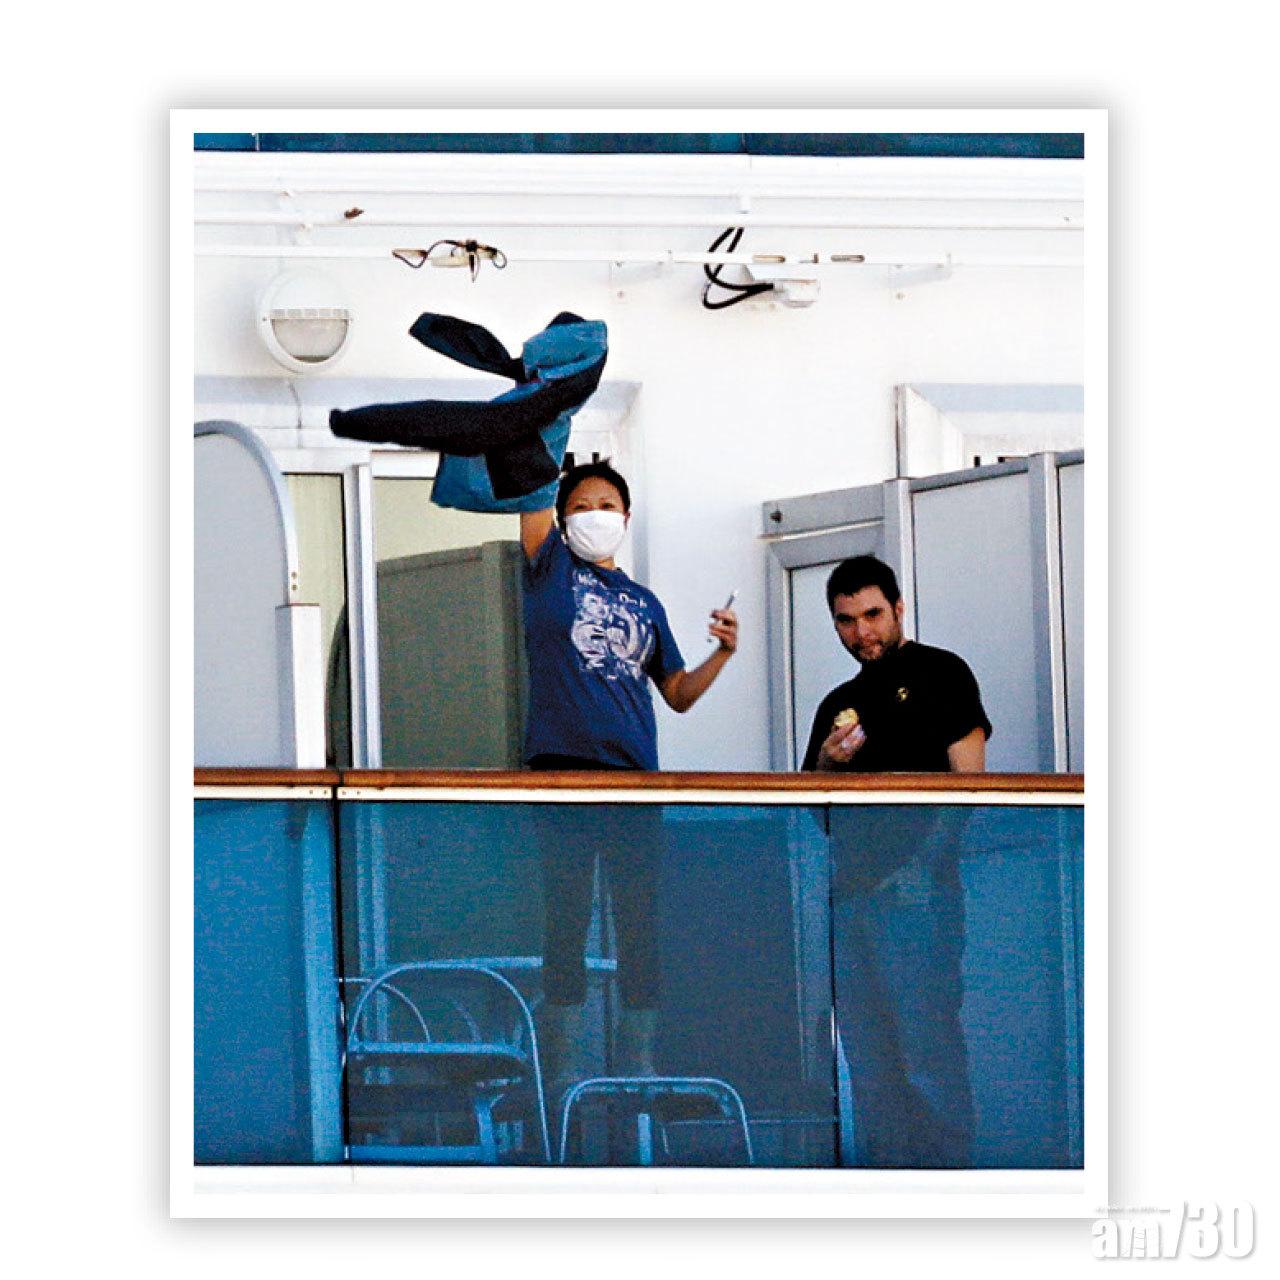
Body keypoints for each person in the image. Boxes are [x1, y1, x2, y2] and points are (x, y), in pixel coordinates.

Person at [519, 460, 738, 1094]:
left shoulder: (645, 602)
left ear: (627, 517)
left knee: (640, 922)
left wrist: (723, 653)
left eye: (607, 505)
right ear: (563, 519)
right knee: (566, 919)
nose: (596, 515)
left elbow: (678, 692)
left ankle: (638, 1062)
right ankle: (561, 1066)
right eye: (581, 505)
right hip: (562, 773)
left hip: (636, 780)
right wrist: (541, 425)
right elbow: (530, 495)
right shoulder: (550, 569)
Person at [801, 554, 991, 1168]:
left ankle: (950, 1189)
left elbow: (970, 786)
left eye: (873, 614)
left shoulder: (941, 672)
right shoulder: (837, 703)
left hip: (918, 898)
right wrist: (828, 763)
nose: (863, 632)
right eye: (846, 620)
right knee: (869, 1064)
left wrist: (922, 869)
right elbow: (813, 810)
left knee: (925, 1053)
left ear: (899, 608)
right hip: (850, 899)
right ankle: (888, 1192)